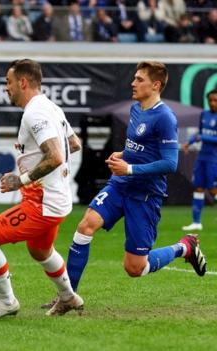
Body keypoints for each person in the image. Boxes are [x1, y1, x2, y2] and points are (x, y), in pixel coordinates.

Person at [51, 61, 207, 310]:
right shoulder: (136, 109)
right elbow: (141, 148)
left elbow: (170, 162)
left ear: (155, 85)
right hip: (120, 185)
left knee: (136, 268)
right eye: (134, 78)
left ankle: (184, 247)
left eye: (139, 79)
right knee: (85, 227)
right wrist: (123, 154)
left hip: (145, 194)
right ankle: (68, 296)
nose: (133, 83)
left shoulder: (165, 117)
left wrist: (131, 168)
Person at [0, 59, 83, 319]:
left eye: (8, 82)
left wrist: (20, 180)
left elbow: (55, 156)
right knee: (40, 250)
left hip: (41, 203)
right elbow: (73, 144)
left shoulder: (35, 113)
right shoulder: (52, 108)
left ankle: (6, 302)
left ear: (22, 82)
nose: (6, 88)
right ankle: (68, 297)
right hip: (57, 199)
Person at [181, 89, 217, 231]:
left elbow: (207, 137)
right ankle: (196, 222)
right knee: (198, 187)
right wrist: (189, 142)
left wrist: (203, 138)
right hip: (202, 157)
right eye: (211, 100)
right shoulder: (204, 114)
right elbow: (200, 133)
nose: (213, 103)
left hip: (214, 159)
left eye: (215, 100)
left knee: (213, 190)